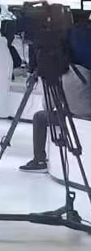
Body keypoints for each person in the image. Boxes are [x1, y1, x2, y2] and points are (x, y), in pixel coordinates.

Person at [20, 15, 91, 173]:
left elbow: (48, 105)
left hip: (74, 115)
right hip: (84, 113)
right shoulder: (85, 70)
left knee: (40, 117)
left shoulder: (60, 72)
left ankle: (39, 160)